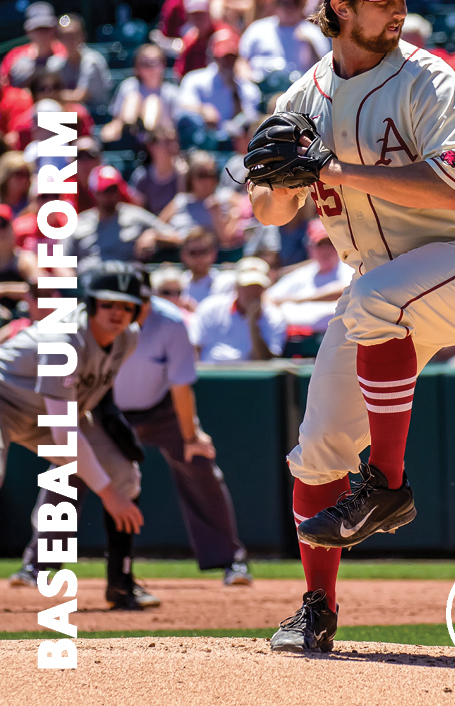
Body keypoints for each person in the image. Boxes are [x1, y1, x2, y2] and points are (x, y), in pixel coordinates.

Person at [249, 0, 455, 653]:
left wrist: (330, 165)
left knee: (372, 301)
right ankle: (315, 609)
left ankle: (388, 486)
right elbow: (272, 213)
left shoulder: (430, 81)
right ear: (338, 9)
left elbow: (452, 185)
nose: (400, 8)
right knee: (314, 454)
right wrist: (275, 183)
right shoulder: (303, 96)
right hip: (380, 289)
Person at [6, 263, 160, 610]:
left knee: (123, 475)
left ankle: (121, 584)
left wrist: (110, 420)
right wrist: (106, 495)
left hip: (52, 412)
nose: (117, 313)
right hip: (7, 401)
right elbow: (63, 431)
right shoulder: (64, 338)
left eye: (125, 305)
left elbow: (93, 386)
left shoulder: (128, 338)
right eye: (108, 304)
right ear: (90, 304)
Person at [113, 271, 252, 586]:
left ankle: (231, 561)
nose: (140, 307)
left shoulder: (171, 322)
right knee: (69, 466)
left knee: (200, 461)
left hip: (163, 411)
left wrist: (191, 437)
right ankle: (36, 564)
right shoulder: (102, 320)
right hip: (110, 412)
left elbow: (181, 387)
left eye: (145, 300)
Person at [63, 165, 181, 271]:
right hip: (89, 285)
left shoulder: (134, 216)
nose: (110, 195)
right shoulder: (79, 223)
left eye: (114, 189)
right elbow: (61, 261)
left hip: (125, 284)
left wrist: (154, 235)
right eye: (105, 191)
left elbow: (177, 237)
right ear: (94, 193)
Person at [189, 257, 287, 362]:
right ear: (237, 286)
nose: (253, 293)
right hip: (209, 374)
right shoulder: (210, 308)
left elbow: (266, 362)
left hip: (251, 377)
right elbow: (194, 348)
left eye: (258, 287)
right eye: (247, 286)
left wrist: (253, 324)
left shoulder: (274, 317)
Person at [266, 218, 353, 333]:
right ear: (309, 247)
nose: (325, 250)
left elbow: (346, 290)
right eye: (320, 245)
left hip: (337, 336)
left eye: (330, 244)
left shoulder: (351, 269)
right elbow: (269, 297)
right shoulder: (302, 274)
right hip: (293, 339)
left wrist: (300, 299)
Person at [239, 0, 330, 80]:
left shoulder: (313, 33)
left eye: (294, 2)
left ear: (301, 5)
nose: (289, 7)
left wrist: (310, 46)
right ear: (275, 4)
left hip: (300, 90)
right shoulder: (257, 29)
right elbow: (241, 62)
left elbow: (324, 70)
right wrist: (251, 81)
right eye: (284, 2)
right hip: (263, 90)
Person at [177, 29, 260, 134]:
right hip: (204, 140)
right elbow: (182, 105)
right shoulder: (195, 79)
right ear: (214, 57)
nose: (227, 62)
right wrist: (203, 110)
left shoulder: (248, 89)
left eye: (231, 57)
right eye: (222, 57)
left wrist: (235, 93)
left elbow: (248, 121)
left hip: (233, 143)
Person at [159, 151, 242, 247]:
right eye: (201, 175)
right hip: (174, 250)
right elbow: (158, 226)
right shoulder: (180, 200)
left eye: (210, 175)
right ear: (190, 177)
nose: (207, 181)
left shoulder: (227, 196)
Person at [102, 44, 179, 145]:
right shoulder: (129, 86)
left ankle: (147, 131)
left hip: (159, 142)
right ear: (137, 66)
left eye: (154, 63)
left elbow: (174, 128)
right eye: (145, 64)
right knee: (133, 98)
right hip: (129, 137)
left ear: (163, 65)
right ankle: (131, 130)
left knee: (152, 101)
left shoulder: (171, 92)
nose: (150, 68)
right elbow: (116, 120)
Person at [47, 13, 112, 112]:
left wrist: (51, 95)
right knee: (40, 116)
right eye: (65, 36)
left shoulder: (92, 61)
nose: (70, 40)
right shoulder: (54, 63)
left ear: (83, 36)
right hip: (68, 114)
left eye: (74, 35)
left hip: (93, 115)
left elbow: (79, 97)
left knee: (44, 120)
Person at [0, 2, 66, 87]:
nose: (42, 34)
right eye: (37, 29)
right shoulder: (14, 56)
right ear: (28, 31)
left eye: (46, 28)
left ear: (54, 29)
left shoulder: (66, 52)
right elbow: (4, 85)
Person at [129, 127, 187, 215]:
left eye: (175, 141)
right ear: (151, 147)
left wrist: (182, 178)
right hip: (150, 226)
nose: (173, 146)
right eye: (167, 142)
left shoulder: (184, 173)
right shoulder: (141, 176)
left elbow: (183, 208)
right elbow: (137, 212)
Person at [173, 0, 229, 80]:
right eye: (195, 14)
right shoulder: (189, 41)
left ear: (210, 12)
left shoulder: (224, 35)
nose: (199, 18)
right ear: (188, 16)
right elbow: (181, 74)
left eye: (202, 13)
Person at [179, 226, 235, 308]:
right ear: (183, 256)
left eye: (204, 251)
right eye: (193, 253)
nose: (199, 257)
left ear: (214, 253)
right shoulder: (176, 285)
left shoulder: (226, 283)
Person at [0, 203, 37, 315]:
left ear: (12, 226)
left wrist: (5, 290)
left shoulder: (25, 259)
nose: (1, 231)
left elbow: (41, 288)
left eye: (3, 224)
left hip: (23, 321)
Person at [0, 152, 32, 217]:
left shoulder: (32, 204)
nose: (24, 179)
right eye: (19, 174)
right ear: (6, 175)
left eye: (27, 174)